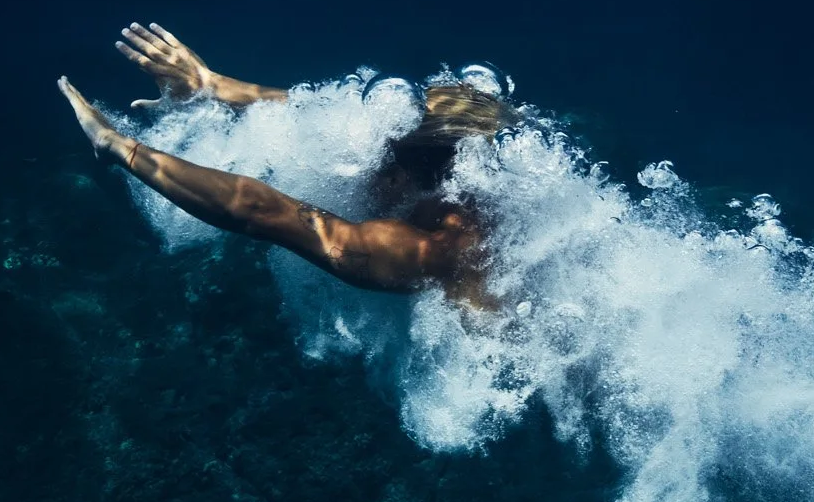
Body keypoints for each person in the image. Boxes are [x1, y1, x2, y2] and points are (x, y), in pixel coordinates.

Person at [58, 23, 510, 305]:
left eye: (381, 157)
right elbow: (316, 114)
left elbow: (259, 211)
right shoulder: (480, 163)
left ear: (408, 174)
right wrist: (210, 84)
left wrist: (118, 145)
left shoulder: (434, 249)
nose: (367, 160)